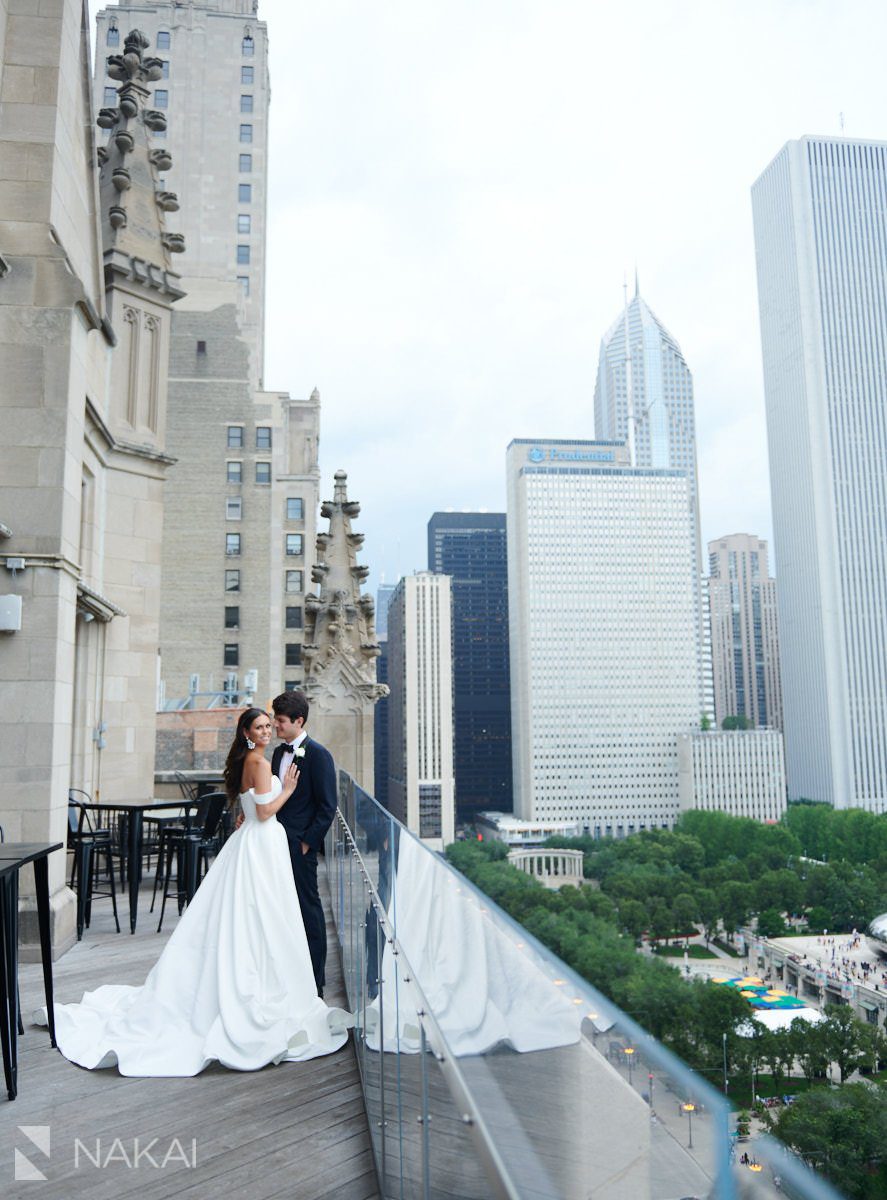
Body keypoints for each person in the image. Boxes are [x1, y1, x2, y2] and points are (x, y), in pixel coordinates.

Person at [43, 707, 351, 1076]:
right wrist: (286, 790)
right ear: (248, 733)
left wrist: (255, 809)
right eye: (261, 727)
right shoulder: (257, 760)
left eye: (271, 725)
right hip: (262, 841)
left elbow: (251, 805)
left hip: (256, 842)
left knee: (260, 914)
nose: (268, 731)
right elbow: (266, 811)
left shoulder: (251, 759)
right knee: (263, 915)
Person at [268, 690, 337, 998]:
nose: (275, 726)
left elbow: (327, 806)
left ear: (299, 721)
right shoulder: (277, 754)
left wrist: (308, 843)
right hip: (272, 844)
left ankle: (315, 982)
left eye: (280, 721)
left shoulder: (319, 755)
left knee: (309, 910)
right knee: (280, 909)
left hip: (299, 848)